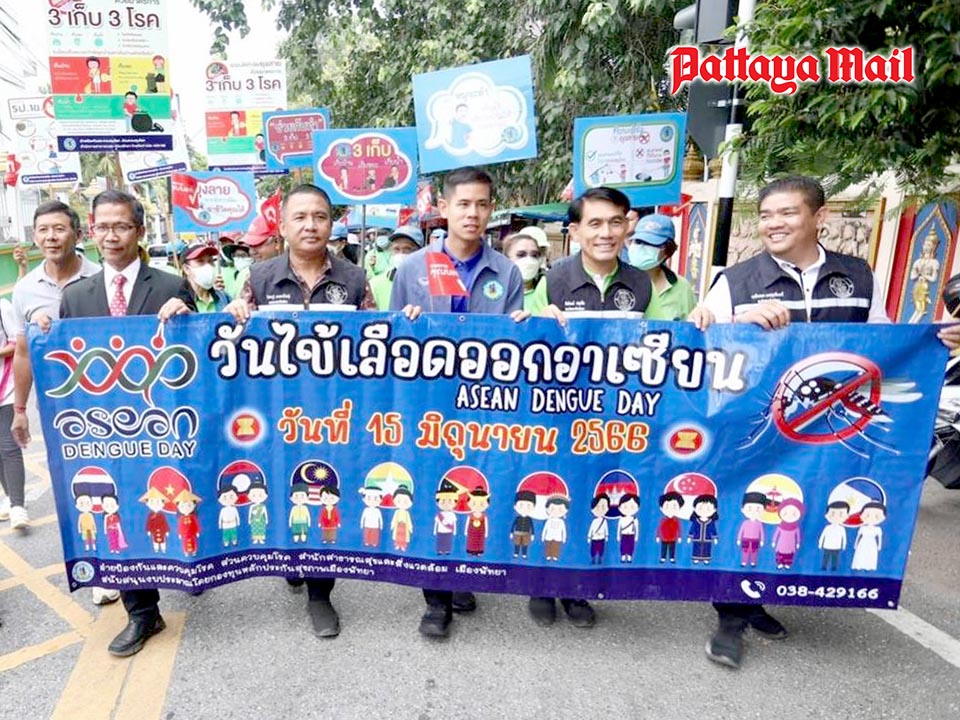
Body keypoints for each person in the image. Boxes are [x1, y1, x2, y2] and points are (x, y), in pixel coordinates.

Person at [688, 175, 960, 669]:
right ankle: (731, 614)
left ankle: (761, 597)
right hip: (756, 426)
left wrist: (937, 341)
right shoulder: (737, 281)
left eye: (787, 213)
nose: (774, 224)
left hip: (828, 426)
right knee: (749, 509)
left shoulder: (856, 277)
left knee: (802, 509)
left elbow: (883, 343)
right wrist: (738, 325)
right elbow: (700, 343)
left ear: (820, 217)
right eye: (766, 215)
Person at [224, 184, 376, 639]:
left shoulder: (354, 279)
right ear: (283, 225)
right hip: (273, 414)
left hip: (333, 415)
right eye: (301, 217)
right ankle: (291, 556)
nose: (311, 226)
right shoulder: (259, 277)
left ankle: (320, 595)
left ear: (331, 223)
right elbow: (233, 337)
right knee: (282, 490)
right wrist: (234, 312)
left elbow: (377, 342)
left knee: (322, 491)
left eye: (320, 216)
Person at [390, 165, 526, 638]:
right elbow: (390, 343)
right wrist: (407, 324)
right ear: (443, 208)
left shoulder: (506, 271)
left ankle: (464, 572)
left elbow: (516, 346)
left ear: (491, 210)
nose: (473, 213)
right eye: (463, 204)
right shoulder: (412, 269)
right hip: (427, 407)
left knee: (475, 487)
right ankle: (436, 596)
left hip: (483, 405)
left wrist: (521, 327)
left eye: (482, 204)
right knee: (433, 491)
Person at [59, 189, 194, 656]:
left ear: (139, 231)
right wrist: (44, 330)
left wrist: (187, 316)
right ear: (90, 232)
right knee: (120, 510)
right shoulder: (75, 296)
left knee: (176, 502)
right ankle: (142, 612)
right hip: (108, 430)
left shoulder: (172, 286)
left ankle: (193, 569)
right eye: (102, 227)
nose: (111, 236)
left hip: (165, 425)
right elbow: (64, 365)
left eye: (121, 226)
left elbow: (200, 354)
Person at [536, 186, 653, 626]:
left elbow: (668, 340)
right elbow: (523, 337)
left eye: (615, 222)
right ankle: (540, 583)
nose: (606, 233)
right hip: (557, 413)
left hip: (613, 417)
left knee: (594, 498)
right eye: (595, 223)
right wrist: (537, 323)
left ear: (628, 226)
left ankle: (577, 589)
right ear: (575, 231)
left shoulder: (641, 283)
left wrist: (700, 321)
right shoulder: (553, 280)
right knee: (553, 495)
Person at [9, 202, 101, 532]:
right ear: (35, 237)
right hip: (59, 408)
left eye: (59, 229)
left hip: (108, 402)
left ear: (77, 235)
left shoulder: (102, 277)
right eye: (43, 230)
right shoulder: (25, 289)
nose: (51, 237)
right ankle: (89, 549)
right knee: (74, 483)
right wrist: (20, 410)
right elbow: (22, 354)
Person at [627, 214, 697, 321]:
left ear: (667, 251)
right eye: (638, 241)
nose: (642, 247)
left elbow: (689, 327)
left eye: (651, 244)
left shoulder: (682, 287)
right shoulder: (617, 280)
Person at [370, 225, 424, 310]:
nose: (401, 253)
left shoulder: (427, 284)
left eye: (407, 249)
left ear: (420, 251)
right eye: (396, 249)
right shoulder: (375, 284)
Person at [502, 232, 548, 314]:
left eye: (534, 255)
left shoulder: (546, 292)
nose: (529, 260)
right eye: (521, 255)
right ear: (506, 258)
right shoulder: (498, 295)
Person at [180, 242, 230, 313]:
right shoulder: (181, 303)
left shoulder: (223, 297)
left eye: (210, 261)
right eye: (200, 261)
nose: (207, 266)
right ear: (186, 269)